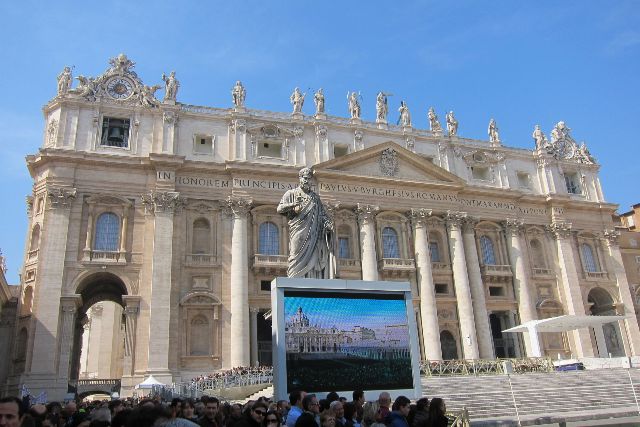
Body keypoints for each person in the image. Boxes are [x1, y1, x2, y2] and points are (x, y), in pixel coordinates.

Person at [277, 168, 335, 279]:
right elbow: (279, 209)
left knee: (312, 259)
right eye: (305, 178)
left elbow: (322, 215)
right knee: (295, 257)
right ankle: (294, 283)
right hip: (298, 232)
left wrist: (327, 224)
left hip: (314, 235)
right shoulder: (291, 194)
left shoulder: (315, 198)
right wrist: (293, 204)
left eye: (309, 179)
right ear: (300, 179)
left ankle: (310, 281)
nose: (307, 181)